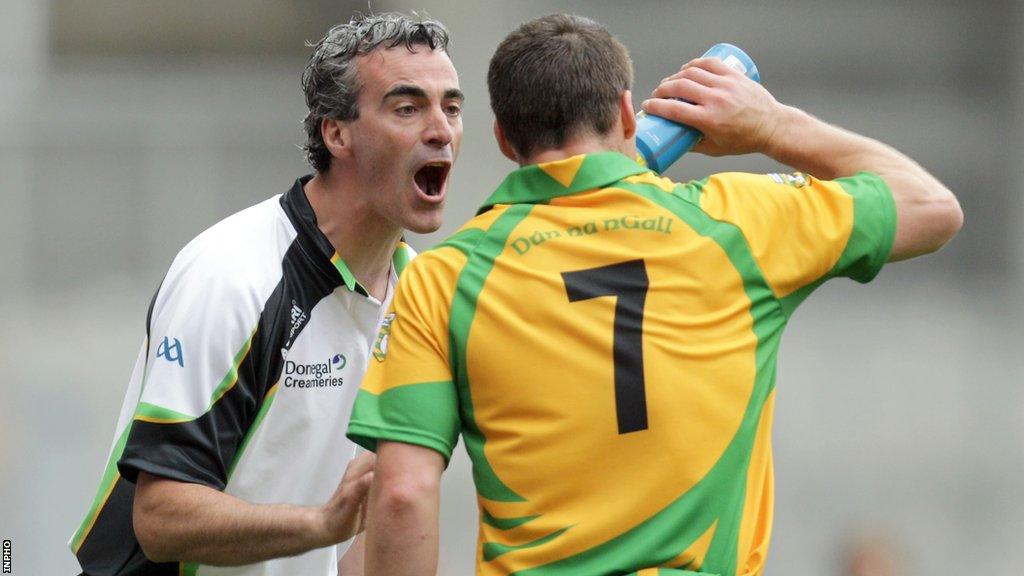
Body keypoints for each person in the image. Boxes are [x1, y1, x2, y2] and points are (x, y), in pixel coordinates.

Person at [345, 13, 961, 576]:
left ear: (506, 139)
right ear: (628, 113)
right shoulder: (739, 223)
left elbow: (402, 496)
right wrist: (772, 124)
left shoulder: (442, 278)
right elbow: (932, 207)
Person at [69, 11, 463, 576]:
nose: (441, 131)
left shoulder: (417, 294)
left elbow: (356, 534)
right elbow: (160, 518)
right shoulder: (232, 274)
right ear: (337, 133)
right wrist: (319, 524)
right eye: (407, 108)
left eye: (451, 107)